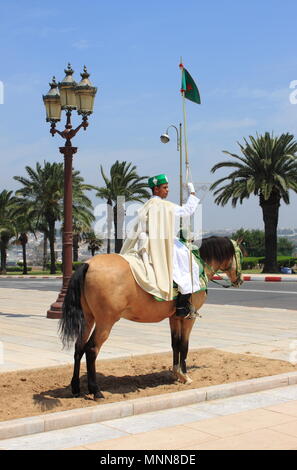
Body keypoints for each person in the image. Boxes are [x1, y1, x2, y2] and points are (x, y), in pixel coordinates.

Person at [120, 173, 200, 318]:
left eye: (167, 187)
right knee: (189, 264)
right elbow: (187, 211)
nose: (167, 190)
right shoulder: (165, 205)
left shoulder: (146, 205)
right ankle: (182, 305)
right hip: (162, 243)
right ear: (156, 189)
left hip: (145, 242)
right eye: (165, 187)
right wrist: (192, 193)